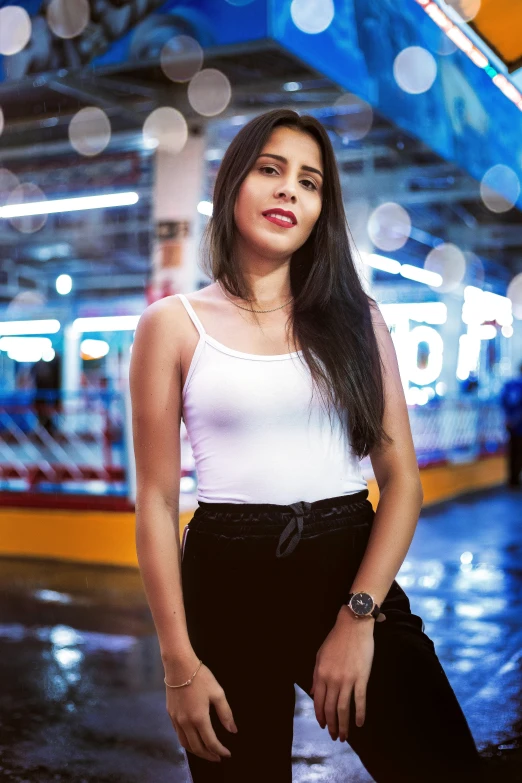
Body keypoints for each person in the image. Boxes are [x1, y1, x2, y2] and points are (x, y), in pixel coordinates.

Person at [129, 109, 484, 783]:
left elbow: (401, 480)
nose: (290, 190)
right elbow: (152, 500)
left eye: (310, 181)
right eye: (270, 170)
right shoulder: (170, 327)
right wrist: (179, 665)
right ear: (233, 183)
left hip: (347, 565)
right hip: (225, 580)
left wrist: (359, 616)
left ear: (323, 208)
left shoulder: (357, 320)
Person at [500, 362, 522, 487]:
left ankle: (512, 478)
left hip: (512, 425)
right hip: (518, 426)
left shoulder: (510, 384)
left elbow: (503, 401)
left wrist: (509, 418)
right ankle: (515, 479)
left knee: (513, 451)